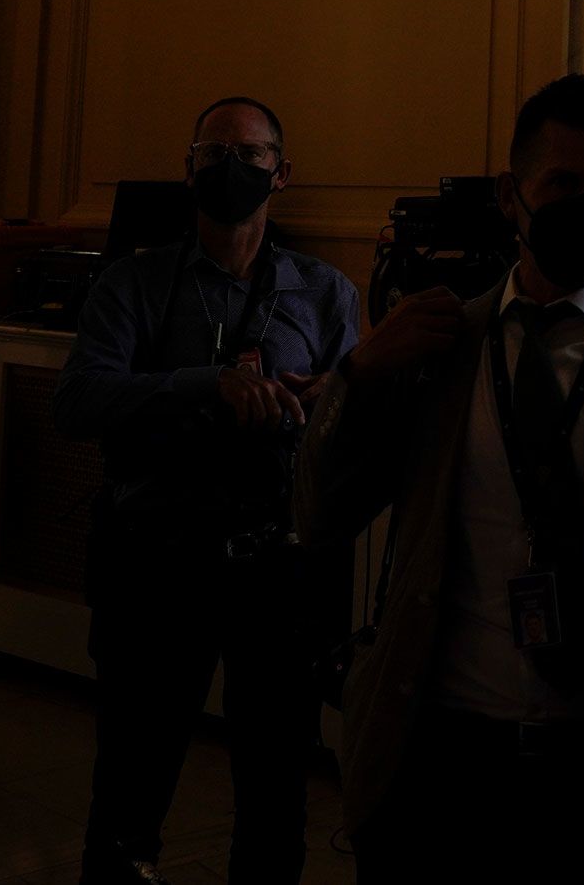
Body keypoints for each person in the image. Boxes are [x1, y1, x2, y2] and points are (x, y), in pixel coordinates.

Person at [295, 75, 584, 883]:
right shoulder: (440, 339)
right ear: (514, 196)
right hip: (437, 750)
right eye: (565, 183)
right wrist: (360, 372)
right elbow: (320, 509)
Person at [53, 96, 360, 885]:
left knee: (274, 789)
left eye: (250, 154)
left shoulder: (326, 293)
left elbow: (359, 421)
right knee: (131, 779)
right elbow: (80, 399)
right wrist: (205, 387)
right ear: (188, 169)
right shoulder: (134, 282)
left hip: (275, 569)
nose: (231, 166)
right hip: (154, 562)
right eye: (213, 151)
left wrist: (332, 397)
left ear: (281, 173)